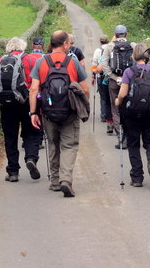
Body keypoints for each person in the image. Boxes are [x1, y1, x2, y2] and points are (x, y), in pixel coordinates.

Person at [29, 30, 89, 197]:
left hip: (47, 112)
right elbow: (84, 89)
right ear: (64, 44)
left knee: (53, 144)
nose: (69, 46)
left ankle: (55, 181)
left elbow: (34, 89)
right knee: (69, 146)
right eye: (68, 43)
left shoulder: (41, 62)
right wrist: (83, 105)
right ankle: (66, 180)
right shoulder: (73, 61)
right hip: (70, 111)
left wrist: (33, 112)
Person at [115, 43, 150, 188]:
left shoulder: (129, 71)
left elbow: (122, 94)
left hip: (131, 114)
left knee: (133, 144)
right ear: (147, 55)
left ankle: (137, 178)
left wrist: (117, 101)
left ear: (134, 55)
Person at [0, 37, 41, 183]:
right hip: (27, 102)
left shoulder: (0, 62)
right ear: (23, 47)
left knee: (10, 137)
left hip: (7, 104)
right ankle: (31, 158)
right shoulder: (31, 60)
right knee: (32, 132)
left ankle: (13, 172)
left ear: (8, 48)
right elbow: (36, 85)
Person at [101, 25, 136, 149]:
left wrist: (114, 77)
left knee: (115, 109)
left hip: (115, 82)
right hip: (130, 82)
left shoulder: (109, 46)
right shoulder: (133, 46)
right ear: (126, 34)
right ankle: (132, 136)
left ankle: (121, 138)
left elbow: (104, 64)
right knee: (130, 107)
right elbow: (138, 63)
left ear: (115, 34)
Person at [91, 35, 113, 131]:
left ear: (100, 41)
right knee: (112, 97)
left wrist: (93, 77)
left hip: (101, 76)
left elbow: (94, 64)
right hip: (111, 76)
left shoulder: (97, 51)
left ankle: (104, 115)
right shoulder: (112, 48)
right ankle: (113, 116)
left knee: (103, 97)